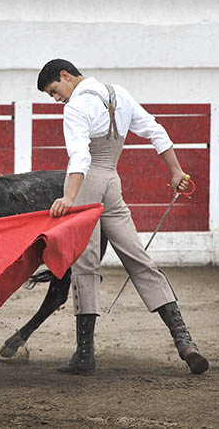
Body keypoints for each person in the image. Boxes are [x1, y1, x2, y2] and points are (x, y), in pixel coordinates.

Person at [37, 59, 208, 375]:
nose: (56, 99)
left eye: (54, 91)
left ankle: (85, 356)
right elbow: (155, 131)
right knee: (140, 260)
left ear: (65, 76)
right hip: (112, 184)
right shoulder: (120, 94)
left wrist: (70, 197)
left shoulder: (75, 108)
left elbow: (80, 157)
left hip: (87, 187)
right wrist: (176, 172)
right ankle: (186, 343)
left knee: (85, 266)